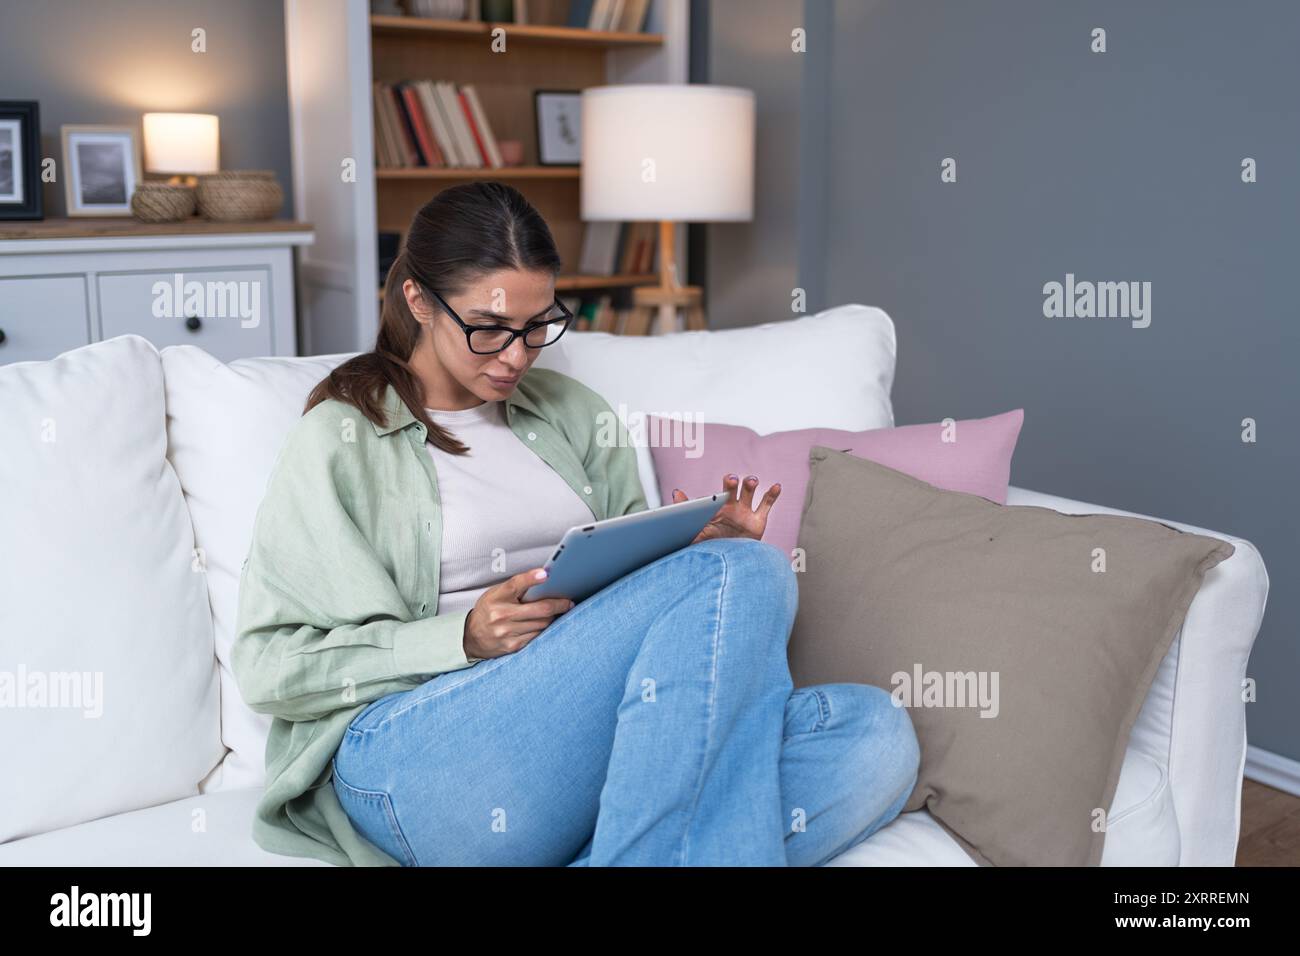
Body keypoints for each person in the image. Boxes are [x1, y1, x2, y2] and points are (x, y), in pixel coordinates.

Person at [231, 181, 919, 867]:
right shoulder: (342, 438)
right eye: (489, 328)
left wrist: (695, 562)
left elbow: (633, 610)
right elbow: (268, 669)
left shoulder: (570, 412)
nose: (516, 356)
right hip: (416, 756)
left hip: (592, 742)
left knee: (875, 735)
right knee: (746, 574)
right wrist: (461, 638)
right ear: (418, 300)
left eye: (536, 327)